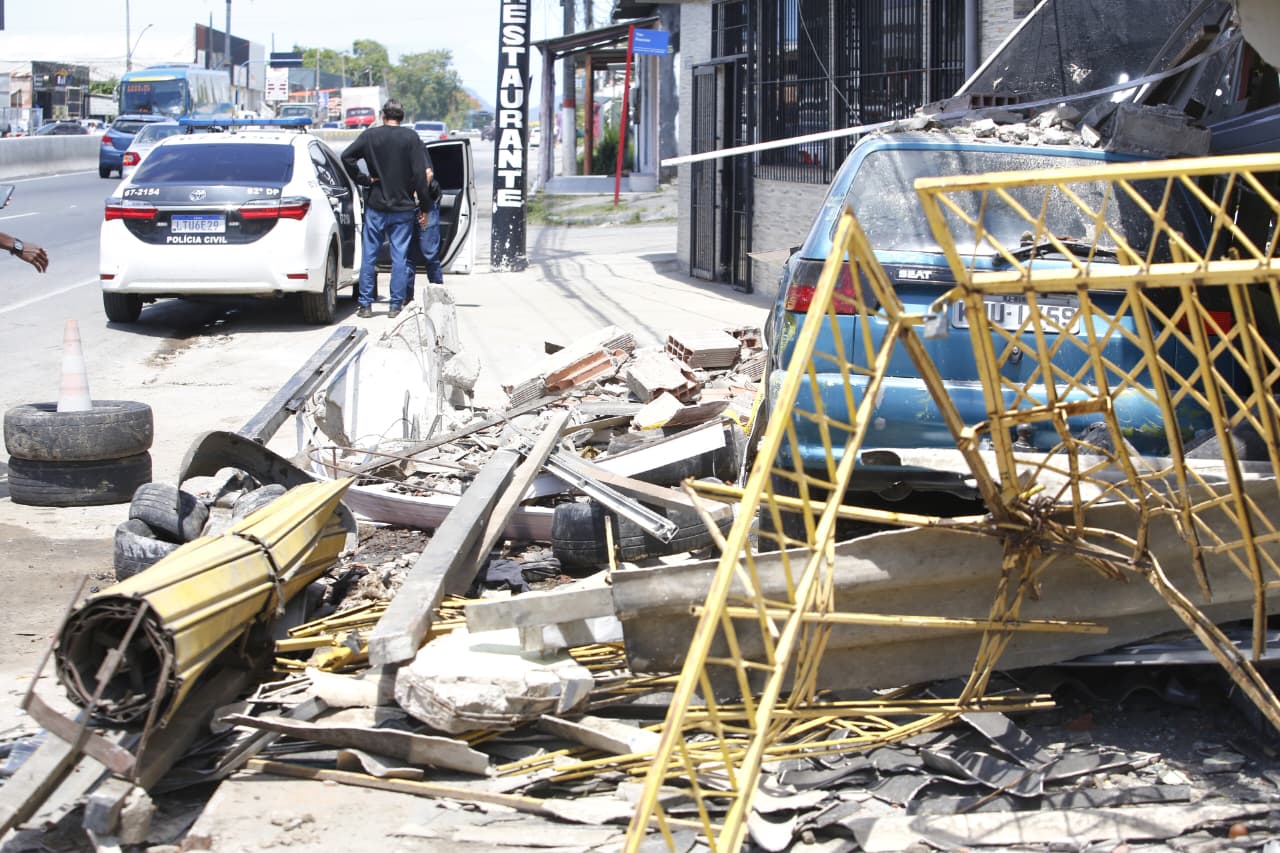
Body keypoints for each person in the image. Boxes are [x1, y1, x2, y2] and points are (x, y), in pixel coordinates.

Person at [340, 99, 431, 319]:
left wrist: (364, 179)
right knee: (399, 256)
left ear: (383, 115)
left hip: (376, 204)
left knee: (369, 256)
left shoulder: (370, 136)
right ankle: (395, 305)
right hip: (403, 206)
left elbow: (346, 156)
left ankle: (365, 305)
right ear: (402, 116)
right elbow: (421, 174)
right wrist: (424, 207)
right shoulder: (411, 138)